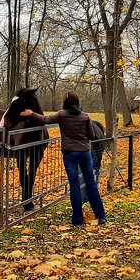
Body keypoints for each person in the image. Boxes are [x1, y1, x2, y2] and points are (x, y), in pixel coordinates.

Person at [21, 92, 107, 226]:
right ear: (77, 102)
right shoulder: (85, 116)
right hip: (85, 153)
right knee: (91, 183)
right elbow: (91, 134)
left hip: (70, 155)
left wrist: (32, 113)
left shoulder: (61, 115)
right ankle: (101, 216)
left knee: (74, 186)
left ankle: (77, 219)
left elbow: (45, 119)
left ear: (65, 103)